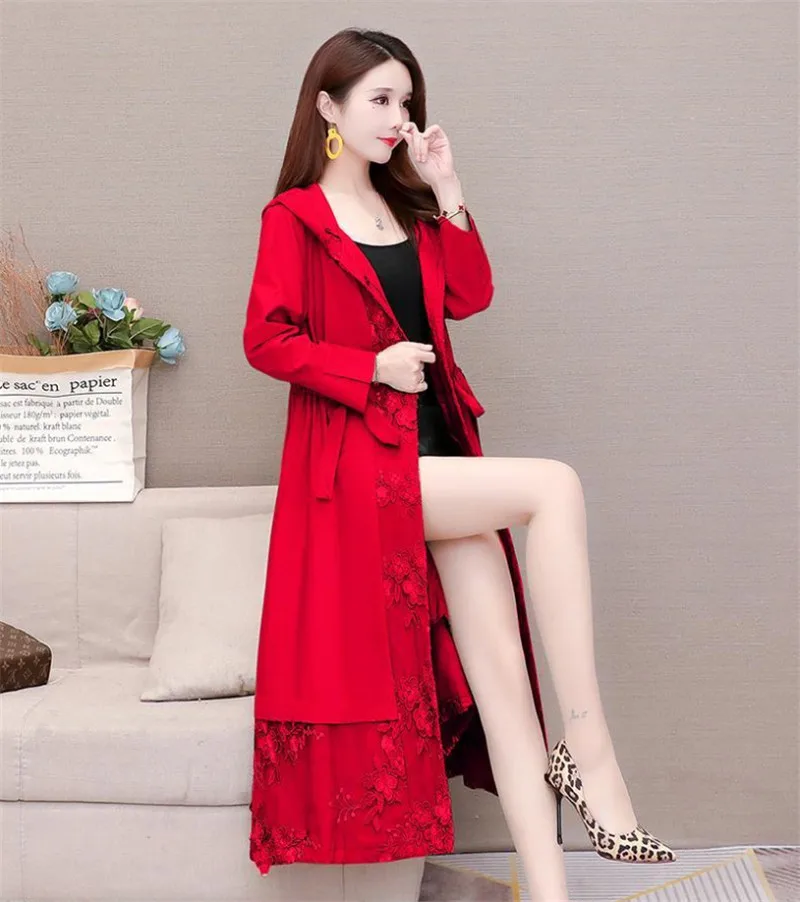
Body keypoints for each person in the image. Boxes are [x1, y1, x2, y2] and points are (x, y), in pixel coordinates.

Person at [242, 26, 676, 902]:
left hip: (435, 463)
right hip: (362, 471)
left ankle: (551, 891)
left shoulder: (407, 212)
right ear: (327, 108)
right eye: (378, 99)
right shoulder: (293, 219)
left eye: (405, 101)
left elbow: (470, 295)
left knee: (507, 689)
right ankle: (591, 751)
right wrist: (369, 368)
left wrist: (448, 191)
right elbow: (265, 339)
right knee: (553, 486)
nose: (396, 118)